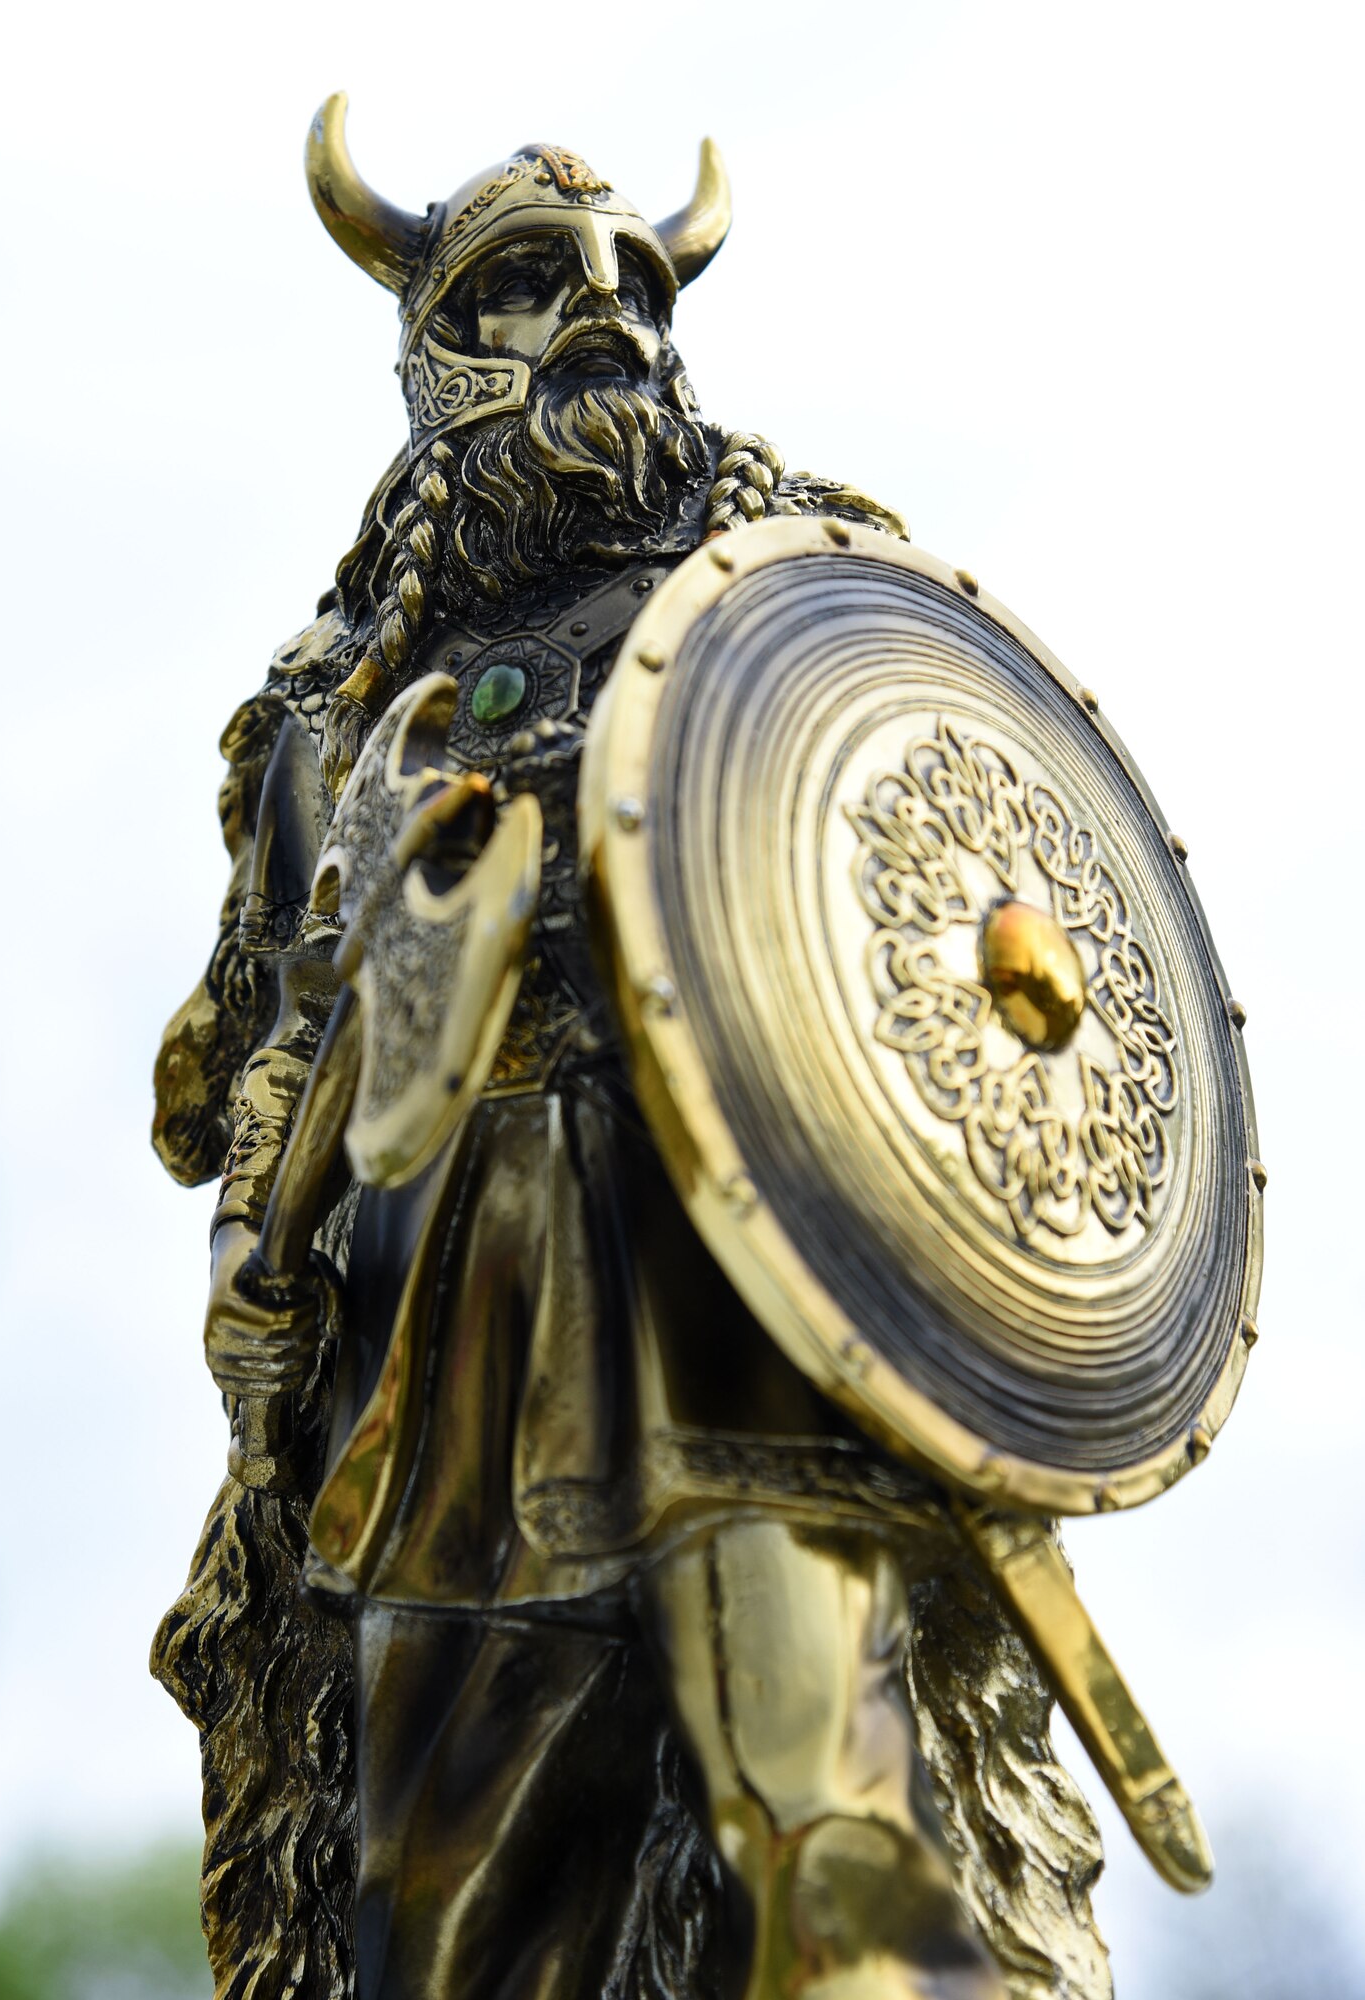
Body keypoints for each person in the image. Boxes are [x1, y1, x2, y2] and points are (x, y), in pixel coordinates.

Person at [153, 99, 1112, 2000]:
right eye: (524, 283)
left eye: (635, 285)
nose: (600, 318)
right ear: (434, 349)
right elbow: (271, 1084)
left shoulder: (792, 621)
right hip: (451, 1369)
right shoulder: (327, 724)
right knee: (452, 1922)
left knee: (848, 1869)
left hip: (753, 1313)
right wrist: (248, 1288)